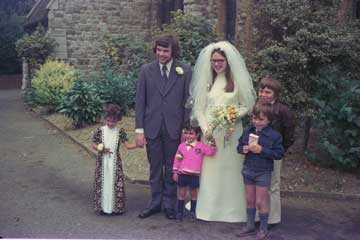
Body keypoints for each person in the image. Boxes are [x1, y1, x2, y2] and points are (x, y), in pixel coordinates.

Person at [189, 41, 256, 222]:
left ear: (227, 61)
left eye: (220, 61)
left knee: (231, 169)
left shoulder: (235, 81)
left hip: (232, 132)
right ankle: (209, 208)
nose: (217, 64)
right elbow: (199, 109)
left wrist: (232, 115)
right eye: (213, 61)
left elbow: (246, 106)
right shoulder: (208, 81)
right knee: (211, 169)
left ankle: (233, 209)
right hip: (211, 133)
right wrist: (206, 130)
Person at [135, 34, 192, 220]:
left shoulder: (184, 71)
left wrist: (186, 129)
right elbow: (140, 102)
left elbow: (187, 102)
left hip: (174, 128)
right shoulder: (146, 70)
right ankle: (154, 202)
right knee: (155, 167)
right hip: (152, 127)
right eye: (158, 50)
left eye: (165, 50)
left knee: (172, 167)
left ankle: (169, 203)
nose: (161, 54)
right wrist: (139, 130)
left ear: (173, 51)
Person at [237, 102, 284, 239]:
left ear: (269, 120)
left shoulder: (275, 136)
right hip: (248, 169)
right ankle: (250, 225)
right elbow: (239, 146)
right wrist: (243, 149)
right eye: (254, 118)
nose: (256, 122)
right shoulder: (248, 131)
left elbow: (279, 153)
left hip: (263, 172)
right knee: (250, 200)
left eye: (261, 119)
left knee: (260, 202)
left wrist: (262, 150)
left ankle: (263, 229)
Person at [257, 76, 295, 225]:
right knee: (260, 185)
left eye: (267, 92)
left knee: (273, 186)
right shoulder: (258, 105)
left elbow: (289, 135)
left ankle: (272, 219)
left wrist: (279, 150)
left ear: (275, 94)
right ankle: (258, 216)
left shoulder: (283, 110)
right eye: (261, 91)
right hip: (257, 153)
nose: (263, 94)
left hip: (274, 154)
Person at [91, 104, 137, 215]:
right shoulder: (100, 131)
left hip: (115, 162)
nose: (111, 123)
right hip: (102, 162)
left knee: (114, 182)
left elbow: (127, 145)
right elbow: (93, 144)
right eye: (108, 120)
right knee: (103, 182)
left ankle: (116, 207)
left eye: (114, 121)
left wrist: (138, 145)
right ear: (105, 118)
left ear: (118, 120)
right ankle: (102, 207)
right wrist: (100, 148)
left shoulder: (120, 131)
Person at [172, 122, 217, 222]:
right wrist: (175, 172)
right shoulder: (181, 146)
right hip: (182, 174)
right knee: (181, 192)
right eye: (186, 133)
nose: (188, 135)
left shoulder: (201, 146)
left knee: (193, 193)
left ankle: (193, 212)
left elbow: (211, 152)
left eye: (191, 133)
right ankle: (179, 212)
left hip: (194, 175)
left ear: (197, 135)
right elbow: (177, 159)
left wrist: (213, 144)